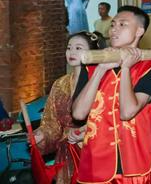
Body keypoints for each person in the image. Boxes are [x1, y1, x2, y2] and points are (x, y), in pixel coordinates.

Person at [71, 5, 151, 183]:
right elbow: (78, 113)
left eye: (122, 24)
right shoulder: (92, 66)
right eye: (113, 24)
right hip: (97, 158)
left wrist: (126, 68)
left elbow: (127, 112)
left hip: (135, 160)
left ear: (139, 31)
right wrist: (100, 69)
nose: (114, 29)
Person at [34, 31, 102, 184]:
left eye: (78, 48)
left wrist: (85, 132)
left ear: (93, 53)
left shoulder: (101, 81)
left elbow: (109, 119)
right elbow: (52, 123)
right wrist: (41, 135)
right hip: (67, 153)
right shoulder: (60, 84)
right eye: (69, 47)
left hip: (95, 151)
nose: (71, 52)